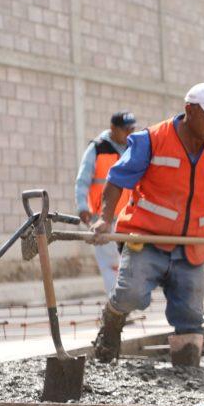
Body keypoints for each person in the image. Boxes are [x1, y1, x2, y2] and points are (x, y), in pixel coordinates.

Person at [89, 82, 204, 367]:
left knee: (190, 314)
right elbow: (118, 179)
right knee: (129, 295)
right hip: (147, 238)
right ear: (189, 110)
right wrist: (105, 219)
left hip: (192, 244)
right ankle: (111, 326)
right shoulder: (152, 140)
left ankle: (187, 371)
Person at [74, 111, 137, 294]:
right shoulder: (97, 149)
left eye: (132, 129)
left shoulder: (132, 149)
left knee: (130, 263)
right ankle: (116, 306)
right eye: (126, 130)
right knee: (111, 264)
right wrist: (82, 207)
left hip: (128, 218)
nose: (130, 134)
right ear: (113, 129)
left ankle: (125, 305)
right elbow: (82, 180)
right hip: (103, 218)